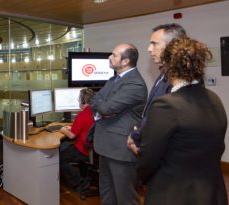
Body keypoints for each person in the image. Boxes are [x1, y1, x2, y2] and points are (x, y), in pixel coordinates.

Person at [136, 37, 228, 205]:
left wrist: (138, 160)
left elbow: (148, 158)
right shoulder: (214, 98)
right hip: (213, 192)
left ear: (168, 66)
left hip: (175, 194)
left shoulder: (166, 105)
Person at [90, 43, 147, 205]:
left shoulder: (135, 83)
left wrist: (100, 103)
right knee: (107, 194)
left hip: (121, 149)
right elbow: (97, 100)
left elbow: (105, 107)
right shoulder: (114, 79)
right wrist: (99, 103)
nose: (109, 57)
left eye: (114, 55)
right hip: (106, 146)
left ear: (125, 61)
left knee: (125, 198)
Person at [127, 23, 187, 153]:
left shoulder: (180, 80)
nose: (149, 49)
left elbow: (164, 121)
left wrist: (140, 140)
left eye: (154, 44)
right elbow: (150, 111)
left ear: (172, 46)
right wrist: (137, 132)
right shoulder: (164, 74)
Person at [59, 88, 95, 192]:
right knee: (65, 147)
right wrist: (71, 128)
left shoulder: (82, 114)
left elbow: (71, 136)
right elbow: (82, 128)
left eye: (79, 99)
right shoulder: (94, 111)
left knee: (60, 157)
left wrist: (62, 129)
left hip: (83, 149)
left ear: (83, 101)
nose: (78, 101)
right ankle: (84, 177)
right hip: (92, 148)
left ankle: (78, 183)